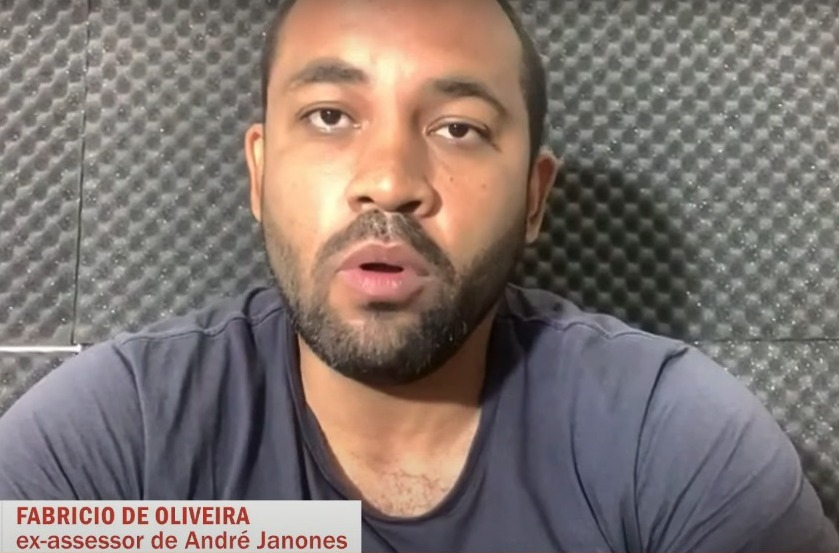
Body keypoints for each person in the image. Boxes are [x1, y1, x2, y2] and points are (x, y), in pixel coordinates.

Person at [1, 0, 837, 550]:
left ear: (533, 197)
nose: (389, 180)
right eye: (329, 115)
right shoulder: (116, 440)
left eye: (458, 128)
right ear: (258, 174)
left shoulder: (671, 438)